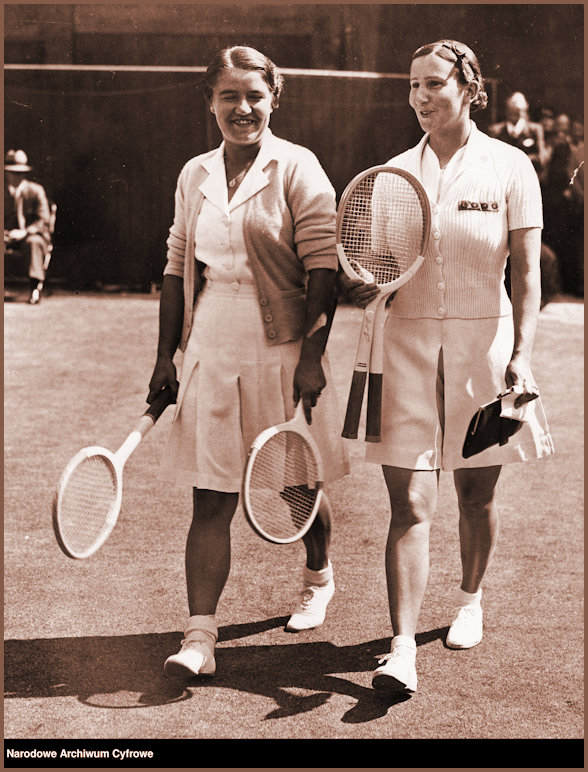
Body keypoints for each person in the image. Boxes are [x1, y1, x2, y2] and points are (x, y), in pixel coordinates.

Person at [342, 40, 554, 697]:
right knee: (409, 503)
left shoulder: (512, 167)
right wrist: (366, 286)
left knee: (475, 494)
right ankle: (400, 649)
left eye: (434, 83)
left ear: (469, 87)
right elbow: (377, 270)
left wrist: (521, 352)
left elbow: (526, 276)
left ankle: (469, 599)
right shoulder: (391, 175)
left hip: (485, 355)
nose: (421, 97)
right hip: (402, 351)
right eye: (412, 86)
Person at [147, 46, 349, 680]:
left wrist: (310, 356)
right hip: (212, 339)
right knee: (211, 495)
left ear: (274, 99)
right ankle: (199, 638)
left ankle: (318, 576)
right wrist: (165, 355)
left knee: (294, 486)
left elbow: (323, 267)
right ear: (210, 101)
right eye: (229, 96)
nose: (242, 108)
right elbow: (179, 264)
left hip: (283, 346)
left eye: (254, 96)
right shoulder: (194, 173)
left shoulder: (298, 167)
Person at [4, 149, 52, 304]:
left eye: (21, 173)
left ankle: (34, 289)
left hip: (30, 237)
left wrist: (24, 232)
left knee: (34, 243)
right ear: (5, 173)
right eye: (12, 173)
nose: (17, 177)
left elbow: (43, 219)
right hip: (6, 236)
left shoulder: (36, 191)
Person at [488, 91, 548, 175]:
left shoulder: (535, 130)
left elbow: (542, 158)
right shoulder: (496, 131)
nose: (518, 114)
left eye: (520, 110)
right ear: (507, 111)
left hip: (528, 175)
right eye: (513, 111)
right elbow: (491, 160)